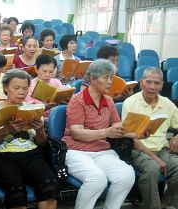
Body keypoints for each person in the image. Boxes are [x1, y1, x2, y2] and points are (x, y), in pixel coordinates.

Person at [63, 59, 135, 209]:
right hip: (76, 151)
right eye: (106, 77)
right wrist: (106, 132)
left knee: (127, 176)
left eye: (111, 77)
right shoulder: (77, 100)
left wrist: (137, 133)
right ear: (93, 79)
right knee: (97, 179)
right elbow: (76, 133)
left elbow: (117, 126)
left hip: (102, 151)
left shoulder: (108, 101)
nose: (110, 82)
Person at [0, 68, 57, 209]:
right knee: (16, 191)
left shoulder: (32, 109)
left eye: (25, 88)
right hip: (2, 156)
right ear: (5, 87)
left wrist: (40, 129)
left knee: (49, 185)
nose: (21, 92)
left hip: (31, 155)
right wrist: (7, 130)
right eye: (16, 88)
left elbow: (41, 143)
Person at [122, 67, 178, 209]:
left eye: (157, 83)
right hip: (138, 149)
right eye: (149, 82)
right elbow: (127, 136)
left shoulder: (167, 104)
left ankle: (167, 202)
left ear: (162, 85)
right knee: (152, 169)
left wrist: (177, 137)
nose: (152, 87)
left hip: (162, 148)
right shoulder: (130, 103)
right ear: (141, 82)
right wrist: (155, 158)